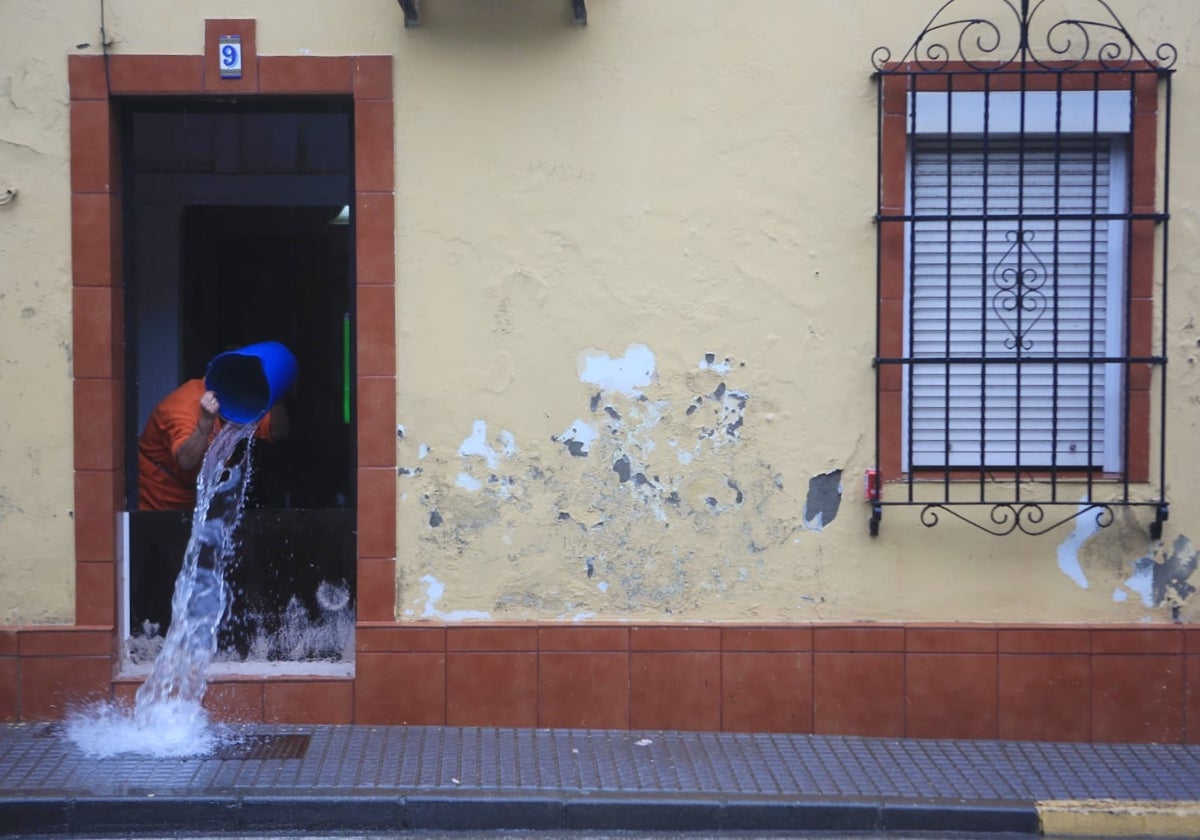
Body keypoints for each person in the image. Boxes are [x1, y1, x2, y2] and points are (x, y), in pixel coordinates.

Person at [137, 378, 288, 511]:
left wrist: (275, 389)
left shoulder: (240, 402)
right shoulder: (184, 406)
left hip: (200, 499)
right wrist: (206, 422)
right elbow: (186, 460)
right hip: (156, 499)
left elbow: (278, 430)